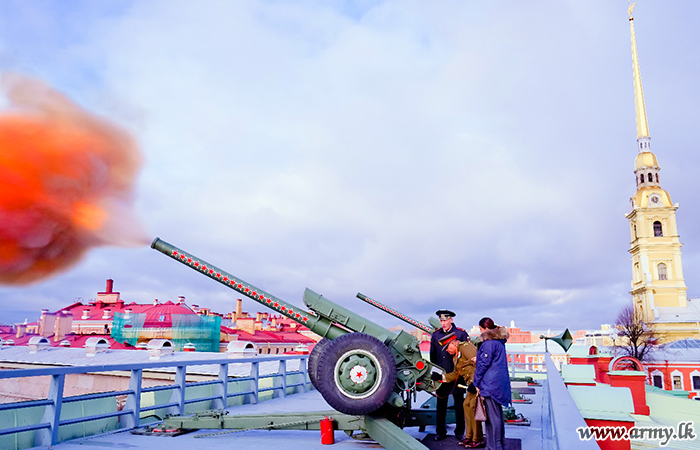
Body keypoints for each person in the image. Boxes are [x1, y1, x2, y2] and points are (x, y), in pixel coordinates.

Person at [471, 317, 511, 450]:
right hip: (498, 384)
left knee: (492, 419)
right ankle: (496, 445)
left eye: (481, 329)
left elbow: (483, 364)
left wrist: (475, 382)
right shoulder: (499, 342)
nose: (480, 332)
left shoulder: (488, 343)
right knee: (496, 416)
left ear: (486, 329)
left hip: (490, 384)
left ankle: (494, 447)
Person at [430, 309, 469, 441]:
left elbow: (466, 354)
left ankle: (459, 432)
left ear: (451, 320)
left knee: (459, 405)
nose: (443, 323)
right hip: (442, 374)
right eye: (441, 320)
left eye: (445, 320)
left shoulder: (461, 334)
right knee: (441, 405)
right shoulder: (435, 335)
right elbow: (433, 356)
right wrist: (435, 374)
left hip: (457, 375)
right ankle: (440, 431)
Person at [442, 338, 484, 448]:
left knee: (473, 407)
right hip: (471, 385)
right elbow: (456, 373)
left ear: (452, 343)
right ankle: (469, 437)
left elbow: (479, 362)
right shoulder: (456, 357)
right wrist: (441, 377)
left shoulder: (465, 347)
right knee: (466, 405)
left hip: (476, 384)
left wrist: (476, 383)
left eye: (447, 347)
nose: (446, 350)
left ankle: (478, 438)